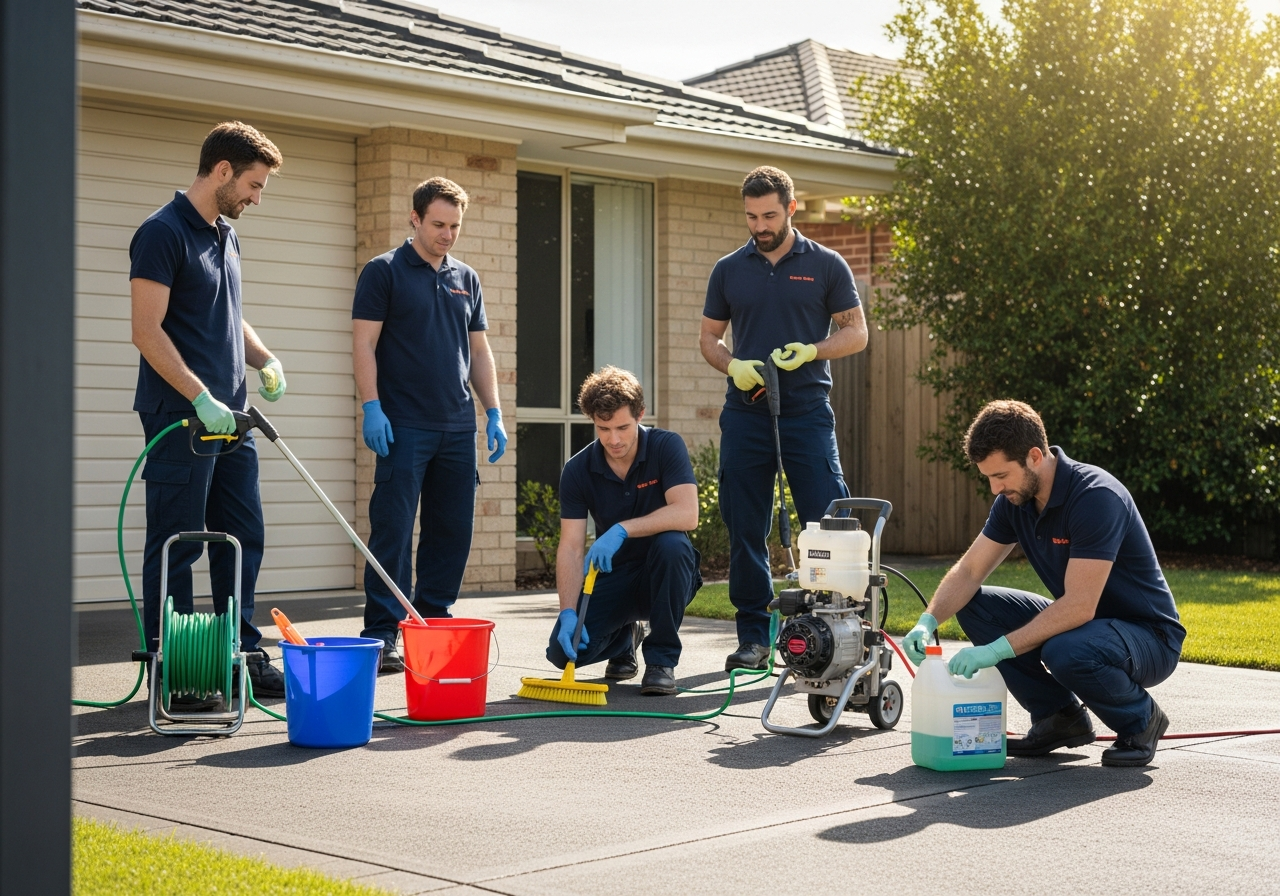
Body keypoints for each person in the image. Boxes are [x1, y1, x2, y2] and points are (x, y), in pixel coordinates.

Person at [902, 400, 1184, 767]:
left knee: (1066, 650)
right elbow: (970, 572)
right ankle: (1059, 719)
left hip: (1148, 636)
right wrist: (928, 621)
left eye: (1000, 475)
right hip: (1086, 625)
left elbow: (1080, 606)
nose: (993, 488)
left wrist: (996, 650)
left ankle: (1141, 720)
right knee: (972, 603)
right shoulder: (1015, 502)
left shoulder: (1095, 497)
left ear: (1034, 456)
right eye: (987, 477)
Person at [129, 120, 287, 700]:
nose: (256, 196)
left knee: (241, 538)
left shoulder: (225, 232)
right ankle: (176, 670)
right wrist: (199, 395)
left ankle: (242, 656)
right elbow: (146, 331)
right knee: (179, 542)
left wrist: (264, 358)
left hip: (233, 421)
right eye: (253, 183)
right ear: (222, 171)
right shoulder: (161, 233)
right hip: (180, 418)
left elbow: (227, 312)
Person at [700, 166, 869, 672]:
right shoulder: (729, 269)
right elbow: (709, 339)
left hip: (807, 414)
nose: (760, 225)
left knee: (830, 521)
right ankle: (754, 639)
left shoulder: (826, 264)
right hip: (746, 415)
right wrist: (732, 364)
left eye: (769, 214)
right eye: (751, 216)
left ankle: (838, 632)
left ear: (791, 208)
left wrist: (813, 350)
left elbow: (857, 333)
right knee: (745, 527)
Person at [352, 177, 507, 673]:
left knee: (451, 531)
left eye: (455, 226)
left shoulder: (467, 277)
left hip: (458, 427)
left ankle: (434, 620)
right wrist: (371, 405)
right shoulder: (383, 272)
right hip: (404, 426)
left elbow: (479, 351)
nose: (447, 234)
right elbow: (363, 345)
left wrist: (494, 412)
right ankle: (382, 633)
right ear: (414, 218)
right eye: (438, 224)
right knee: (393, 531)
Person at [547, 367, 702, 695]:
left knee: (673, 545)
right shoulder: (577, 470)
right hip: (615, 576)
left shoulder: (665, 447)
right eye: (603, 428)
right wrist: (567, 611)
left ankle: (661, 661)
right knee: (565, 653)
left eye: (622, 427)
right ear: (592, 420)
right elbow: (572, 547)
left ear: (640, 415)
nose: (613, 439)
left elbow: (688, 514)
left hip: (666, 575)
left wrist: (622, 529)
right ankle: (624, 639)